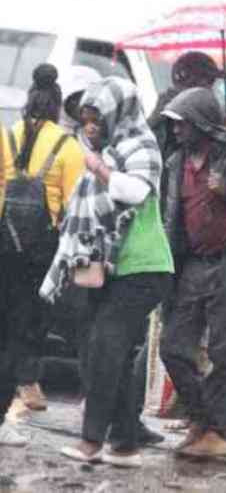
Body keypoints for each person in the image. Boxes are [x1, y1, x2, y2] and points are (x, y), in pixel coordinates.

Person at [46, 76, 173, 468]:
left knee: (104, 349)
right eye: (86, 119)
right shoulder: (112, 148)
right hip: (113, 269)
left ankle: (91, 442)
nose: (90, 127)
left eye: (97, 118)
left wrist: (99, 168)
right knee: (103, 352)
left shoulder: (141, 145)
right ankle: (125, 445)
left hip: (144, 267)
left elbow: (135, 191)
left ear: (118, 114)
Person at [159, 87, 226, 457]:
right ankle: (204, 418)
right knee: (173, 347)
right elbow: (170, 216)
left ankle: (220, 432)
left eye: (182, 124)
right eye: (173, 124)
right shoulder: (175, 162)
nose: (175, 131)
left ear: (202, 124)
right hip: (193, 262)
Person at [0, 64, 84, 419]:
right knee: (34, 316)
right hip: (43, 248)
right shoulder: (68, 146)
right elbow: (75, 203)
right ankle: (27, 382)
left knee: (6, 315)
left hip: (5, 242)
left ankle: (17, 384)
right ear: (57, 104)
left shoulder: (6, 137)